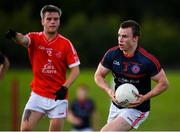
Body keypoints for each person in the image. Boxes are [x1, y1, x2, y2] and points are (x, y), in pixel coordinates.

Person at [6, 5, 80, 131]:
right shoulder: (35, 38)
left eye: (56, 19)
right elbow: (23, 40)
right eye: (49, 19)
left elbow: (75, 70)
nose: (52, 22)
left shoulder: (66, 44)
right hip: (38, 94)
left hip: (58, 96)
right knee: (25, 129)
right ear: (42, 21)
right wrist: (14, 34)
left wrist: (65, 87)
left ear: (59, 21)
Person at [94, 20, 169, 131]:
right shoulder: (112, 54)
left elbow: (164, 83)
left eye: (125, 36)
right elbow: (98, 75)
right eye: (119, 35)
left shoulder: (147, 60)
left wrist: (145, 97)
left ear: (135, 38)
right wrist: (108, 90)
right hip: (116, 105)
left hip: (136, 109)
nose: (120, 39)